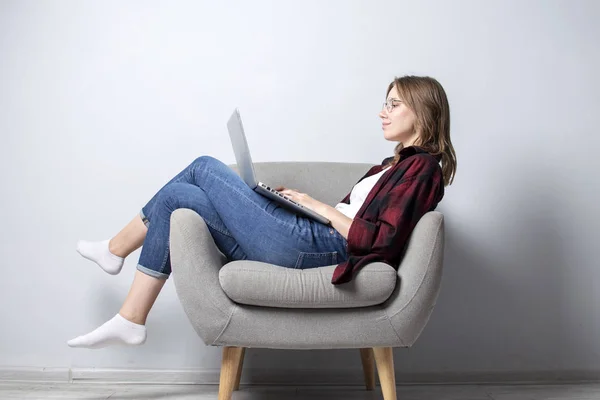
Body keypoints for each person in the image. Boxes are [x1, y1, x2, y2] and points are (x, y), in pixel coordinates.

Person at [67, 75, 457, 349]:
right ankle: (131, 319)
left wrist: (317, 205)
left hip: (319, 247)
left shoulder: (422, 169)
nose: (382, 112)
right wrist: (298, 204)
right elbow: (356, 217)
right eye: (383, 103)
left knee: (203, 165)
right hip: (307, 233)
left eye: (393, 104)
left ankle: (115, 250)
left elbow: (382, 242)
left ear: (422, 113)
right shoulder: (389, 166)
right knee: (178, 197)